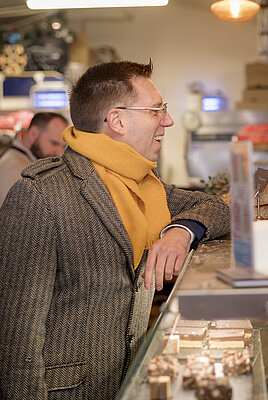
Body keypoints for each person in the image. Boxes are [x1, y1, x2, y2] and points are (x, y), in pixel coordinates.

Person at [0, 61, 230, 399]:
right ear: (118, 120)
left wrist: (181, 230)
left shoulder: (145, 186)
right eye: (156, 111)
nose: (167, 121)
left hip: (131, 381)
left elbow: (219, 208)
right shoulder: (41, 194)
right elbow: (17, 337)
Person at [0, 112, 68, 204]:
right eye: (54, 143)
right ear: (33, 133)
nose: (59, 152)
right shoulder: (17, 170)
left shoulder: (19, 161)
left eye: (63, 146)